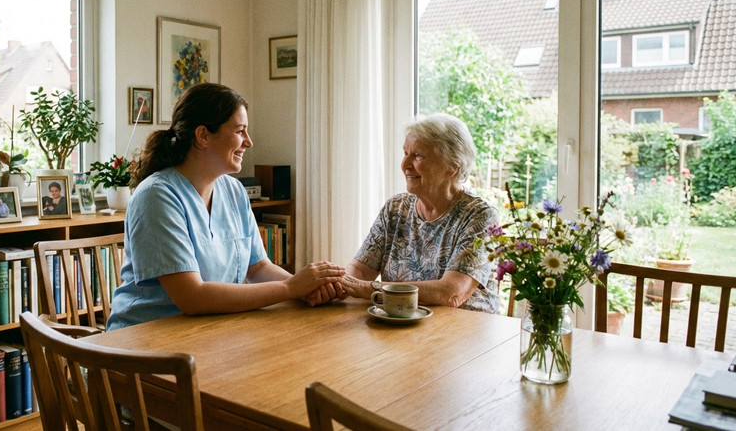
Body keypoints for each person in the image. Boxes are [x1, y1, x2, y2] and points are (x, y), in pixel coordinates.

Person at [106, 83, 344, 330]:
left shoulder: (234, 191)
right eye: (240, 131)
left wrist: (305, 290)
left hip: (211, 333)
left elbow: (259, 267)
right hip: (141, 347)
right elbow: (192, 297)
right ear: (203, 136)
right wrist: (291, 288)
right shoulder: (156, 196)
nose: (249, 142)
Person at [331, 114, 501, 314]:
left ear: (452, 167)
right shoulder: (396, 208)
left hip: (462, 331)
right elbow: (360, 270)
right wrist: (340, 284)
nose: (405, 165)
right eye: (405, 153)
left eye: (418, 155)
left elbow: (452, 293)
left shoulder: (480, 216)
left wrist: (368, 288)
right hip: (400, 322)